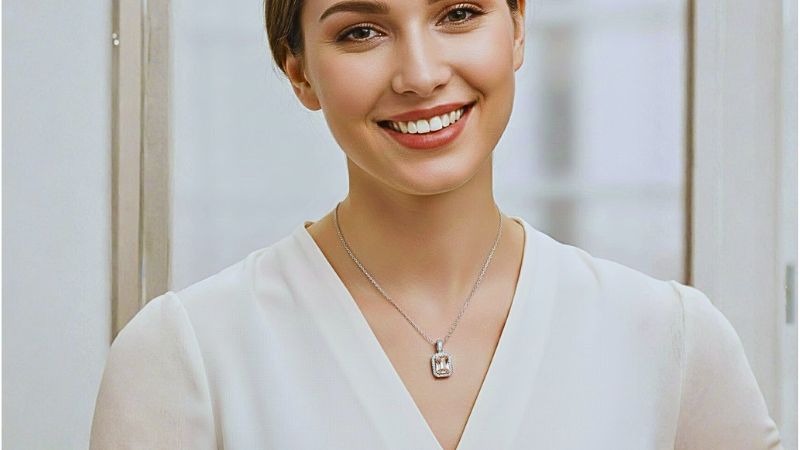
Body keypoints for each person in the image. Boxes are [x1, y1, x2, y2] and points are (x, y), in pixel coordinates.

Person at [89, 0, 785, 448]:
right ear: (298, 71)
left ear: (517, 26)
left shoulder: (671, 341)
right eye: (361, 31)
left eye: (458, 13)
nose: (420, 75)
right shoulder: (185, 356)